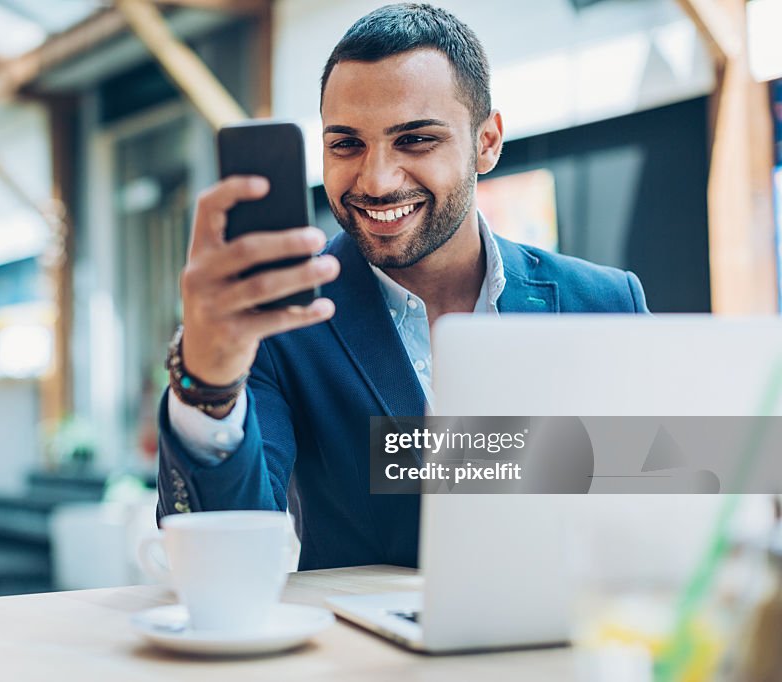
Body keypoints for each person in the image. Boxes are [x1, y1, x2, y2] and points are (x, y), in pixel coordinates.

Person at [156, 3, 648, 570]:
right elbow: (224, 563)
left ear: (486, 142)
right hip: (361, 655)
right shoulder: (280, 321)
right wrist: (208, 383)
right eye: (346, 144)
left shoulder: (607, 304)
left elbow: (666, 502)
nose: (377, 180)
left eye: (415, 140)